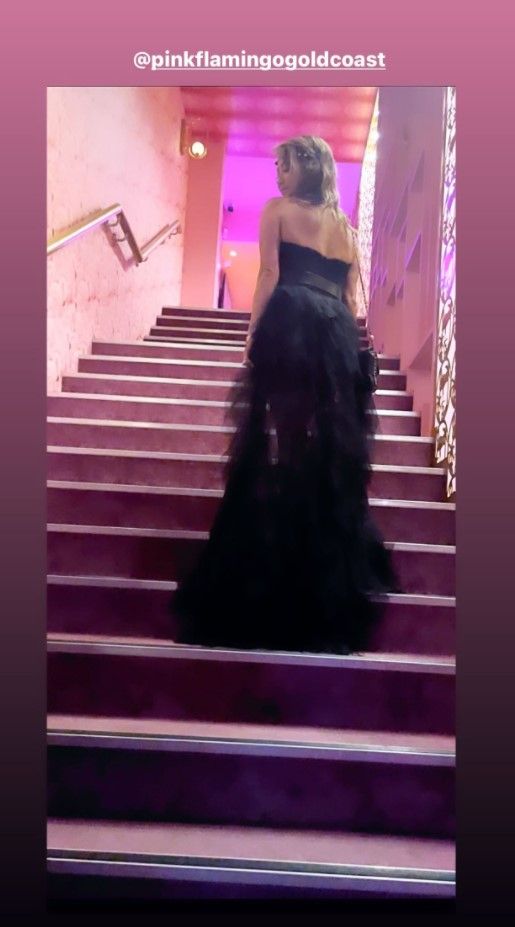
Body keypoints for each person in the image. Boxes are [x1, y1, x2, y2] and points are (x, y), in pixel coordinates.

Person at [170, 135, 399, 655]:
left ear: (310, 167)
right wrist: (349, 349)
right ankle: (314, 548)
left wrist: (252, 333)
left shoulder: (277, 211)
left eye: (286, 164)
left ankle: (277, 543)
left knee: (283, 437)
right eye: (277, 165)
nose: (278, 174)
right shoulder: (347, 230)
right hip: (335, 332)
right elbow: (350, 299)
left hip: (292, 322)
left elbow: (270, 273)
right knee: (323, 445)